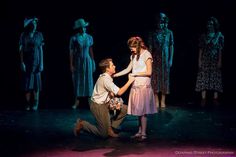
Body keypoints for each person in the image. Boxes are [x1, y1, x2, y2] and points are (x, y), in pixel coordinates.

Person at [74, 58, 135, 138]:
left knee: (125, 109)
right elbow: (120, 92)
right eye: (112, 65)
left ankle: (110, 128)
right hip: (99, 106)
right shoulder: (105, 79)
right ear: (107, 68)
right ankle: (82, 124)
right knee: (103, 134)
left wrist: (111, 94)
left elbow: (107, 90)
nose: (114, 66)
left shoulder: (107, 76)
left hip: (107, 103)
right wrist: (130, 81)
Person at [113, 36, 157, 141]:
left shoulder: (147, 55)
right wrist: (115, 75)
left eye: (132, 47)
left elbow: (149, 72)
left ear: (137, 46)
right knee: (138, 112)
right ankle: (139, 132)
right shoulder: (133, 55)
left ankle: (144, 134)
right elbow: (128, 69)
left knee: (143, 112)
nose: (131, 49)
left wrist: (135, 73)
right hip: (136, 86)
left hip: (143, 86)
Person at [195, 17, 224, 106]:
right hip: (205, 59)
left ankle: (215, 98)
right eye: (208, 24)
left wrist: (219, 60)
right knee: (203, 76)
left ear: (215, 25)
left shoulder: (219, 35)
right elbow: (200, 49)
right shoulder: (203, 36)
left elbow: (220, 49)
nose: (210, 26)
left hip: (215, 59)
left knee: (215, 77)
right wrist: (199, 60)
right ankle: (203, 98)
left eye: (211, 24)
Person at [148, 12, 174, 109]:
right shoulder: (152, 33)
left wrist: (170, 59)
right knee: (155, 79)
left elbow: (171, 46)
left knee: (165, 78)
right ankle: (156, 100)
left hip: (165, 58)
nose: (161, 24)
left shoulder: (169, 33)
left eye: (162, 22)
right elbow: (150, 47)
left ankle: (163, 100)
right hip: (155, 58)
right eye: (159, 22)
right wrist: (149, 60)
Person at [69, 18, 96, 109]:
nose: (84, 29)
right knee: (78, 80)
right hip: (78, 61)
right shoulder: (74, 38)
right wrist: (71, 64)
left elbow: (90, 50)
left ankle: (90, 101)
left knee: (88, 80)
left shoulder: (89, 37)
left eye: (84, 27)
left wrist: (93, 61)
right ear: (78, 28)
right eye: (82, 27)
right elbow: (71, 52)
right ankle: (77, 101)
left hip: (87, 60)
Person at [19, 17, 44, 111]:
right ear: (29, 25)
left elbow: (41, 49)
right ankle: (27, 103)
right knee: (27, 84)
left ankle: (36, 102)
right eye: (33, 24)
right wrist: (22, 62)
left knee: (36, 84)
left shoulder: (39, 35)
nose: (35, 26)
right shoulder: (23, 35)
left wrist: (41, 63)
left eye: (35, 24)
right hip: (27, 61)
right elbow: (21, 50)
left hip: (37, 61)